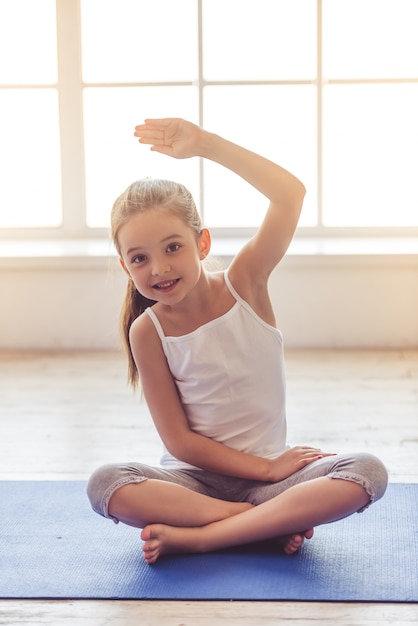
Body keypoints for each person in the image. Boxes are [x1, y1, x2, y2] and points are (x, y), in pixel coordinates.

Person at [87, 117, 388, 564]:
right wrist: (264, 470)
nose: (159, 269)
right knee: (106, 483)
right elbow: (180, 443)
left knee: (367, 472)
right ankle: (256, 524)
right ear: (125, 266)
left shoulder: (245, 282)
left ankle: (204, 537)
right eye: (140, 258)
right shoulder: (147, 331)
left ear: (202, 243)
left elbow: (290, 195)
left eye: (173, 248)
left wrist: (206, 145)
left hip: (277, 482)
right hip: (195, 485)